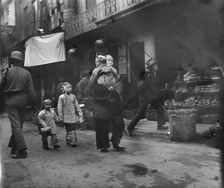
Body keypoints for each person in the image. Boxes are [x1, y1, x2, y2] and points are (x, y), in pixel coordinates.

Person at [1, 51, 36, 158]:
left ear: (12, 60)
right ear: (21, 61)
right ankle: (14, 147)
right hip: (23, 101)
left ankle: (22, 150)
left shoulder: (7, 71)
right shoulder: (26, 73)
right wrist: (34, 104)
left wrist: (3, 74)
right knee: (19, 125)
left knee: (16, 125)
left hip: (11, 100)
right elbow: (31, 90)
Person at [126, 62, 167, 136]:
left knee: (159, 108)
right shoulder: (148, 74)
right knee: (140, 114)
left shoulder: (152, 73)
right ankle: (129, 127)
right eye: (156, 65)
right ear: (152, 66)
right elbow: (142, 84)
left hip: (151, 96)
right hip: (145, 96)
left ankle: (160, 125)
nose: (157, 66)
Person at [57, 82, 84, 147]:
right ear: (64, 88)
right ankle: (69, 140)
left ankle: (73, 141)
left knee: (72, 128)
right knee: (68, 128)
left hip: (72, 115)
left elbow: (77, 105)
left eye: (71, 87)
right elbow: (59, 107)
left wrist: (80, 113)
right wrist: (60, 115)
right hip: (66, 116)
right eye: (68, 87)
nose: (70, 89)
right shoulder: (61, 97)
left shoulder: (73, 96)